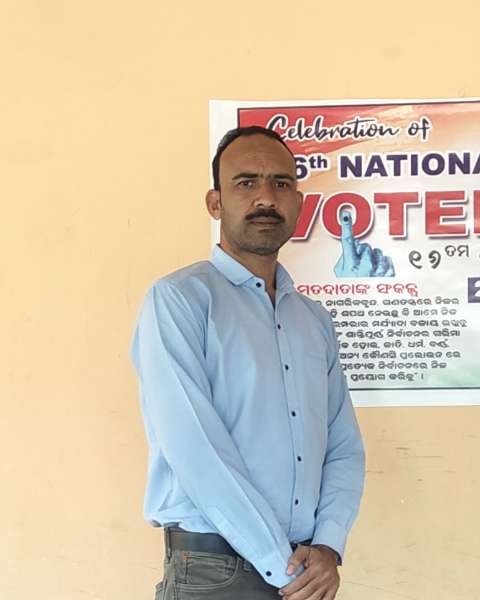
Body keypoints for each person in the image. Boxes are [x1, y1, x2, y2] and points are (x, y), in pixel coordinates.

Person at [129, 125, 365, 600]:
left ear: (298, 202)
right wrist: (282, 565)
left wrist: (328, 545)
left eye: (281, 183)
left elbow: (343, 446)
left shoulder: (312, 320)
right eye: (246, 182)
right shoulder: (180, 300)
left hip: (306, 571)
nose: (265, 198)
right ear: (215, 203)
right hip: (214, 572)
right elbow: (194, 448)